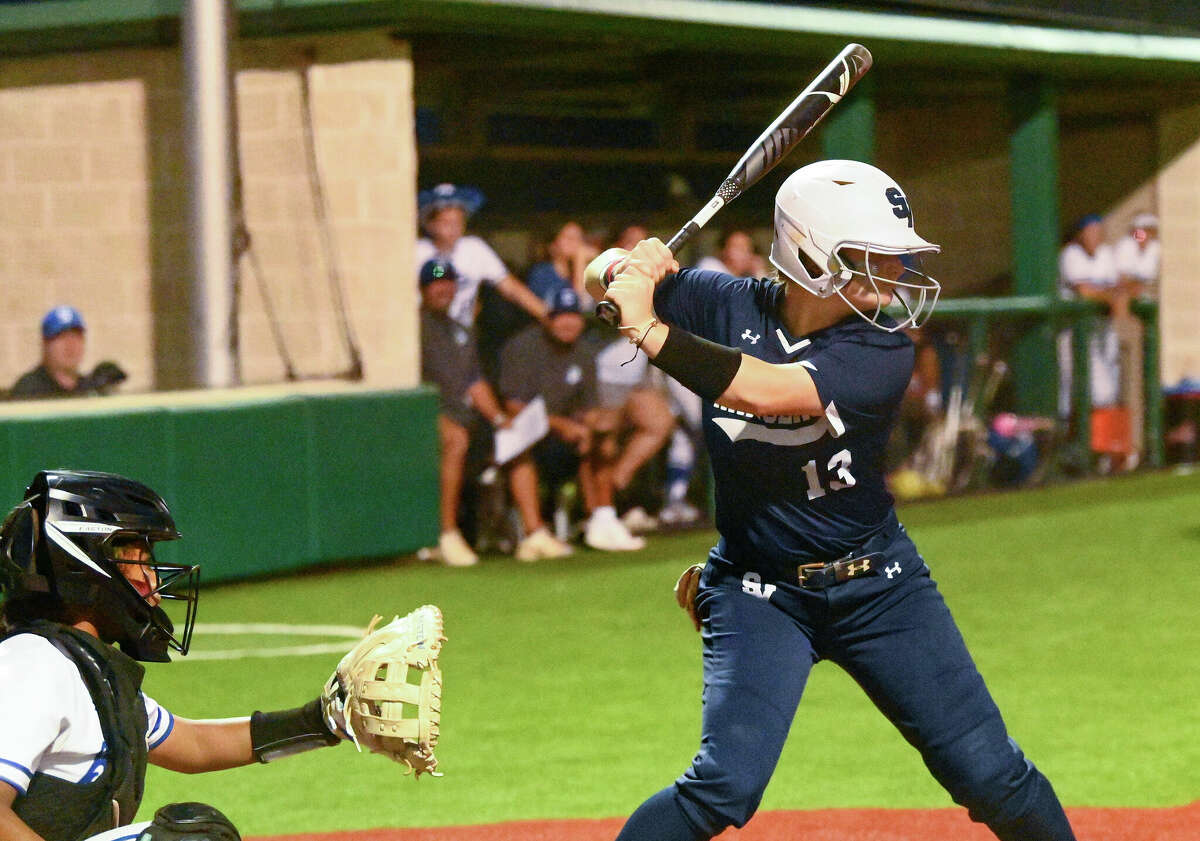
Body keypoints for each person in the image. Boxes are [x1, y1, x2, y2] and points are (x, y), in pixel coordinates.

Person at [586, 159, 1076, 841]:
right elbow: (603, 276)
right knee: (722, 785)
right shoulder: (724, 303)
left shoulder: (882, 350)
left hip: (879, 586)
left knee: (993, 774)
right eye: (875, 255)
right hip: (759, 590)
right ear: (813, 253)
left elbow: (764, 389)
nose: (898, 272)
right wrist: (629, 268)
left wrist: (650, 328)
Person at [0, 470, 352, 841]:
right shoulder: (34, 664)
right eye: (136, 558)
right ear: (82, 566)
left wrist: (322, 722)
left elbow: (193, 745)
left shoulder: (89, 670)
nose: (153, 580)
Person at [419, 258, 573, 566]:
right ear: (423, 288)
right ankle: (445, 534)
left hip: (468, 418)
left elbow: (475, 383)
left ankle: (534, 534)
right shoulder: (415, 327)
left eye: (448, 281)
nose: (443, 288)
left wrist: (500, 419)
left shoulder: (460, 329)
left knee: (515, 439)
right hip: (430, 419)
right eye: (436, 282)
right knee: (456, 439)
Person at [498, 287, 646, 552]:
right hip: (524, 432)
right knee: (519, 446)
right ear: (548, 318)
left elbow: (589, 406)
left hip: (565, 435)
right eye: (559, 316)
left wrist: (592, 425)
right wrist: (560, 425)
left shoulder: (584, 353)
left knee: (601, 438)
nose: (568, 323)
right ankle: (535, 534)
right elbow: (513, 406)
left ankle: (602, 519)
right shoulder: (522, 348)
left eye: (574, 316)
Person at [415, 183, 547, 328]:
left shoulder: (475, 249)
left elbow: (511, 288)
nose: (453, 229)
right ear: (430, 224)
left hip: (461, 335)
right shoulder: (417, 252)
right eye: (446, 223)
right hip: (423, 332)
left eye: (458, 222)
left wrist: (549, 317)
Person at [1057, 213, 1131, 470]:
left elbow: (1123, 286)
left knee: (1107, 394)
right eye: (1090, 231)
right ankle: (1074, 456)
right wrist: (1112, 298)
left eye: (1098, 231)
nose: (1095, 236)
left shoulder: (1106, 255)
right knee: (1080, 398)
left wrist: (1118, 293)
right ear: (1080, 234)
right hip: (1074, 337)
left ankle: (1103, 456)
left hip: (1102, 336)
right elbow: (1085, 291)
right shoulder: (1070, 255)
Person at [9, 307, 127, 400]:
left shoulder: (89, 390)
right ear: (45, 344)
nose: (70, 345)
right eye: (61, 337)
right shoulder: (29, 391)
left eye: (76, 337)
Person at [524, 220, 599, 302]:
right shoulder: (541, 274)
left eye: (579, 238)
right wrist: (579, 261)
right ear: (553, 246)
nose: (576, 243)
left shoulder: (589, 273)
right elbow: (578, 305)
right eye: (569, 238)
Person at [694, 228, 766, 278]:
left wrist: (759, 272)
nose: (745, 254)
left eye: (748, 249)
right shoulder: (710, 265)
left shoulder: (744, 278)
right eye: (739, 248)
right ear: (723, 250)